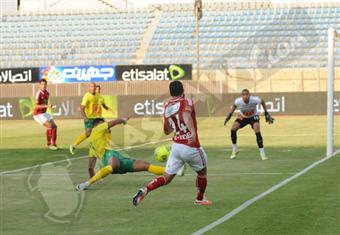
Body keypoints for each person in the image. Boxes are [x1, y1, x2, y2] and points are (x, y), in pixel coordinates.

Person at [132, 80, 212, 206]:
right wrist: (192, 132)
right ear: (183, 90)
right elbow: (186, 115)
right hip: (190, 146)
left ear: (171, 92)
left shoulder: (167, 106)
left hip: (176, 147)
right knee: (202, 172)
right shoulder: (187, 101)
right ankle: (200, 198)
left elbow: (166, 130)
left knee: (167, 177)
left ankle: (146, 189)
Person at [75, 117, 166, 190]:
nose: (106, 126)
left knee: (145, 165)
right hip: (109, 157)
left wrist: (92, 179)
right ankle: (86, 184)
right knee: (114, 163)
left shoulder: (94, 144)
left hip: (119, 159)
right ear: (96, 125)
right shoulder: (97, 129)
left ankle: (172, 171)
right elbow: (114, 122)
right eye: (103, 123)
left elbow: (90, 168)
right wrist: (123, 120)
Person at [223, 89, 274, 160]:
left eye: (247, 94)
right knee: (233, 129)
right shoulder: (238, 101)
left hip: (253, 116)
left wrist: (266, 112)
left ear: (249, 95)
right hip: (243, 117)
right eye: (243, 94)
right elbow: (234, 106)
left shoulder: (254, 100)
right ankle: (235, 149)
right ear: (241, 96)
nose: (245, 96)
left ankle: (262, 153)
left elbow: (262, 101)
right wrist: (229, 115)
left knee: (257, 129)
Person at [69, 82, 101, 155]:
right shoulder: (86, 96)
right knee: (88, 133)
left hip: (96, 118)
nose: (93, 88)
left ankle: (99, 147)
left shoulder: (97, 95)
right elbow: (81, 108)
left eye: (94, 87)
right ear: (89, 88)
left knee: (103, 130)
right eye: (92, 87)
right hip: (89, 118)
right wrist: (85, 117)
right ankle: (74, 145)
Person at [33, 79, 59, 150]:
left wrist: (49, 105)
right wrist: (47, 106)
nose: (43, 86)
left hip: (44, 113)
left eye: (45, 84)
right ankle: (49, 144)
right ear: (39, 85)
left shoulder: (47, 93)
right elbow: (36, 106)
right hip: (38, 114)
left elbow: (45, 103)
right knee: (50, 126)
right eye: (42, 84)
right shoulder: (38, 94)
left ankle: (54, 144)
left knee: (55, 126)